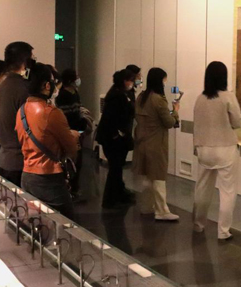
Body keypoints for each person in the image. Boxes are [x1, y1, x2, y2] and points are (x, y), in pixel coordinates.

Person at [16, 63, 79, 219]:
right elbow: (71, 149)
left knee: (36, 222)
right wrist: (74, 136)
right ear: (46, 85)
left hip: (27, 175)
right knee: (65, 223)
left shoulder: (21, 111)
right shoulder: (52, 113)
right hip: (49, 177)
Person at [192, 62, 241, 240]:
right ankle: (223, 231)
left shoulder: (200, 98)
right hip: (226, 148)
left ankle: (198, 224)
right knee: (227, 190)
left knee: (202, 188)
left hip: (203, 149)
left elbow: (197, 125)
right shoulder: (228, 97)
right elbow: (237, 122)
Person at [134, 67, 180, 221]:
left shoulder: (141, 97)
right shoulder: (159, 99)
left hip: (142, 141)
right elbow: (168, 122)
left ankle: (146, 206)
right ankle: (162, 211)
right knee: (159, 177)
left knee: (147, 177)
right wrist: (175, 111)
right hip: (156, 143)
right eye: (164, 80)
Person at [96, 68, 137, 208]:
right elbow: (114, 119)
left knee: (117, 168)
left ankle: (117, 195)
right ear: (125, 81)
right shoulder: (118, 97)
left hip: (112, 138)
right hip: (114, 139)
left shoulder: (116, 94)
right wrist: (117, 135)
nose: (132, 83)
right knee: (115, 168)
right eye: (131, 80)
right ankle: (109, 200)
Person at [0, 41, 34, 186]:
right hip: (20, 159)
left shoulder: (3, 86)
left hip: (6, 157)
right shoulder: (22, 88)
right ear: (25, 62)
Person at [55, 68, 89, 198]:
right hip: (70, 131)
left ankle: (75, 188)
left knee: (78, 161)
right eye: (76, 77)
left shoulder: (75, 93)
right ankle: (69, 189)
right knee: (70, 161)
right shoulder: (62, 95)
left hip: (79, 130)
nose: (78, 80)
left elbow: (78, 110)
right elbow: (66, 116)